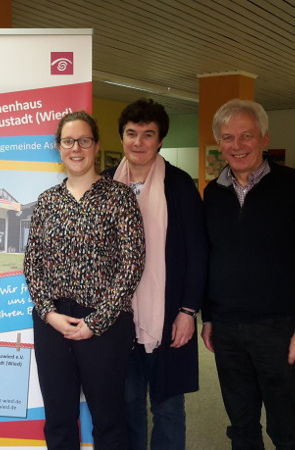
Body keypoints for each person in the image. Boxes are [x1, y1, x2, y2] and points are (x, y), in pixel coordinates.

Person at [201, 99, 295, 449]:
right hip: (228, 329)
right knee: (241, 425)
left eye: (246, 135)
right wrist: (209, 317)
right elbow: (210, 258)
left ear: (264, 138)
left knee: (285, 426)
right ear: (220, 143)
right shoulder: (212, 194)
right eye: (228, 137)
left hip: (280, 328)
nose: (237, 145)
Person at [24, 111, 146, 449]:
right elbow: (32, 263)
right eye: (68, 141)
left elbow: (132, 264)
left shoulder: (119, 198)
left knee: (109, 421)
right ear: (58, 147)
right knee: (59, 420)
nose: (76, 148)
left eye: (84, 140)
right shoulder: (48, 201)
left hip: (105, 323)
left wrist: (97, 321)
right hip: (53, 322)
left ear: (95, 145)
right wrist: (48, 313)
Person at [103, 98, 207, 450]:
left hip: (168, 314)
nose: (138, 142)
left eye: (148, 134)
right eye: (131, 133)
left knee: (167, 406)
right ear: (121, 137)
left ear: (160, 140)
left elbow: (197, 253)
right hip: (117, 317)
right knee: (127, 402)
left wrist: (188, 311)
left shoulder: (179, 186)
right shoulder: (102, 185)